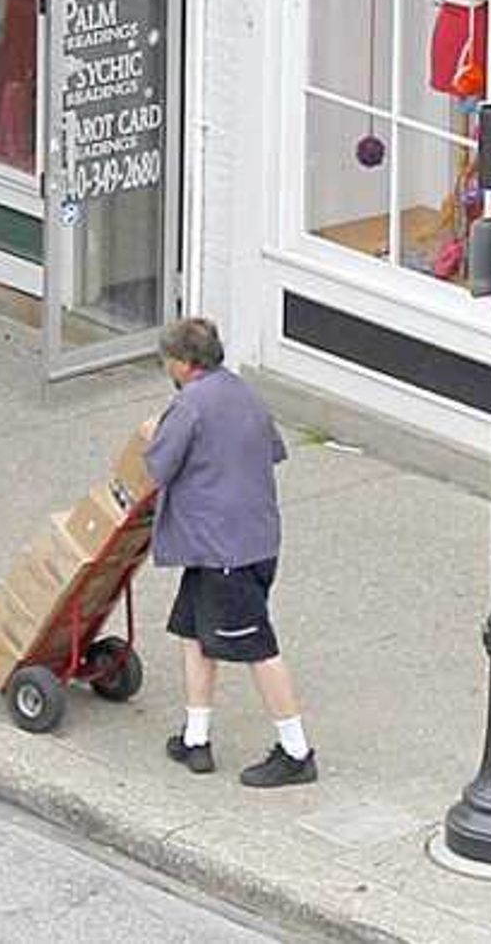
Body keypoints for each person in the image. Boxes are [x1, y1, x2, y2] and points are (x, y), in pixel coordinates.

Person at [144, 315, 314, 787]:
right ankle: (196, 738)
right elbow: (272, 450)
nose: (166, 367)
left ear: (183, 363)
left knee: (259, 647)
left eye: (168, 360)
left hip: (223, 552)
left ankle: (296, 750)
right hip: (254, 540)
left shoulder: (189, 407)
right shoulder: (245, 394)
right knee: (193, 633)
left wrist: (151, 436)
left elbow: (157, 467)